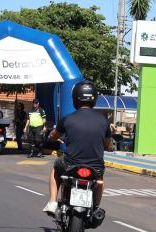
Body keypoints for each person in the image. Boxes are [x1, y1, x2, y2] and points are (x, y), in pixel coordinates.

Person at [43, 80, 113, 216]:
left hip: (70, 164)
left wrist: (51, 136)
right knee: (99, 180)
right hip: (95, 166)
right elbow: (108, 144)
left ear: (75, 97)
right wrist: (109, 147)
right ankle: (96, 208)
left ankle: (52, 202)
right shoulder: (104, 121)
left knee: (55, 168)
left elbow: (54, 135)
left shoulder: (67, 119)